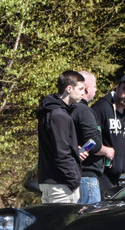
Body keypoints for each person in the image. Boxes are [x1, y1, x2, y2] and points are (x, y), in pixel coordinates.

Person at [36, 70, 85, 204]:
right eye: (80, 89)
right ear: (69, 88)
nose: (83, 92)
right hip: (61, 185)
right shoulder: (59, 116)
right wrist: (74, 182)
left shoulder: (49, 112)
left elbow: (57, 148)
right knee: (63, 224)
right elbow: (61, 154)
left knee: (51, 224)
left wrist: (75, 150)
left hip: (51, 182)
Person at [91, 72, 125, 196]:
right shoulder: (101, 107)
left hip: (117, 177)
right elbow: (89, 138)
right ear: (117, 87)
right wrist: (104, 150)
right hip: (100, 175)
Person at [72, 70, 112, 204]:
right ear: (87, 88)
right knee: (88, 221)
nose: (96, 90)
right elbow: (93, 142)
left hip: (75, 175)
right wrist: (107, 151)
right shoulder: (84, 111)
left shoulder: (67, 109)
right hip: (87, 177)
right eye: (95, 86)